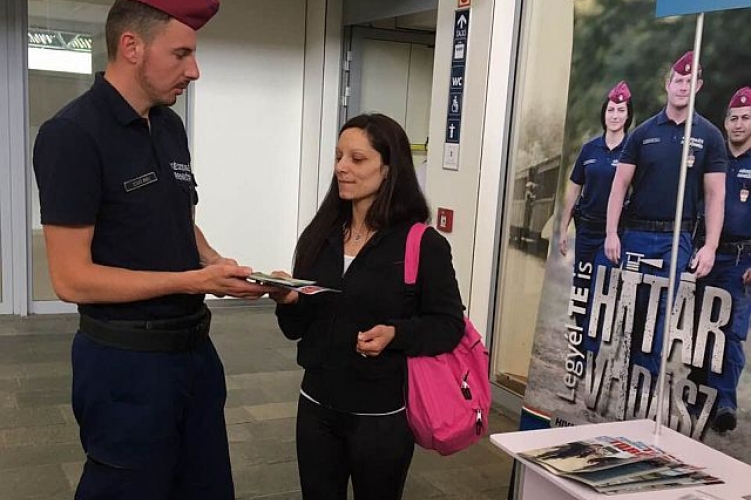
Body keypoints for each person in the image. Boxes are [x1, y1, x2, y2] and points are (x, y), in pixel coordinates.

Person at [32, 1, 271, 498]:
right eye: (181, 54)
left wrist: (216, 264)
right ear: (131, 46)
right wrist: (193, 281)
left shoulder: (168, 125)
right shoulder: (72, 134)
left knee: (205, 485)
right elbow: (71, 278)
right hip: (125, 367)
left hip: (194, 354)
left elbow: (179, 221)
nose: (194, 71)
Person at [271, 113, 465, 500]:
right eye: (338, 156)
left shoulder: (422, 244)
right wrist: (288, 299)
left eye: (357, 159)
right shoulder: (320, 235)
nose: (341, 167)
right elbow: (295, 328)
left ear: (389, 168)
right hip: (316, 406)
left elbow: (448, 325)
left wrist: (397, 334)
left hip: (380, 415)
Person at [603, 51, 726, 378]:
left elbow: (716, 195)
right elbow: (619, 185)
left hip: (677, 238)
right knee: (632, 307)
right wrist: (612, 232)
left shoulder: (710, 136)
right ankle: (629, 371)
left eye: (689, 81)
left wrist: (710, 246)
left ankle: (645, 380)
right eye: (678, 80)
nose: (683, 86)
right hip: (636, 234)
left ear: (698, 86)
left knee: (662, 310)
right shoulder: (642, 133)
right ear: (667, 85)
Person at [689, 86, 751, 433]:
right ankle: (697, 395)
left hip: (742, 259)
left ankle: (725, 403)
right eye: (733, 118)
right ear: (725, 123)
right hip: (705, 253)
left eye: (746, 118)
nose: (739, 124)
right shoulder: (713, 156)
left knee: (730, 331)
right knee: (700, 326)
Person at [559, 81, 634, 355]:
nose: (615, 115)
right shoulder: (589, 149)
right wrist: (563, 229)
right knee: (581, 289)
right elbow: (574, 189)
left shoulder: (632, 150)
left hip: (613, 234)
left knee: (601, 291)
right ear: (604, 113)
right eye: (611, 110)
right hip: (586, 231)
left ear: (628, 115)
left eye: (621, 110)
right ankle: (579, 351)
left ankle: (591, 351)